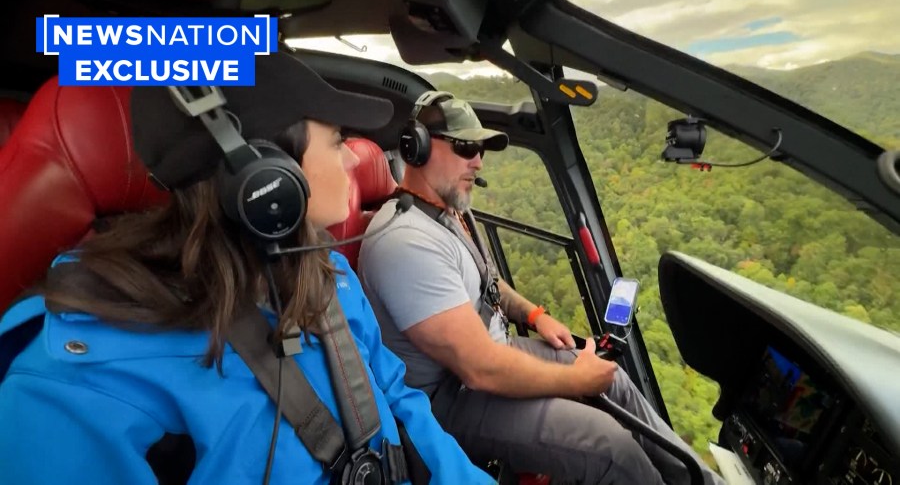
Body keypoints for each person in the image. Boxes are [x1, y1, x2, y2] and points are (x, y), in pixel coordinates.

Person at [0, 54, 494, 485]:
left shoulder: (329, 281)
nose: (350, 158)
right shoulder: (82, 372)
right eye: (337, 139)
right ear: (262, 174)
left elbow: (400, 405)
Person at [358, 91, 727, 485]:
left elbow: (487, 282)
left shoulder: (448, 213)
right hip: (449, 400)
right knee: (609, 446)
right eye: (466, 147)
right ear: (417, 147)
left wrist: (535, 315)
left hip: (486, 358)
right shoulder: (405, 243)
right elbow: (480, 369)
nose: (478, 161)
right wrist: (577, 381)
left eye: (480, 149)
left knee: (611, 375)